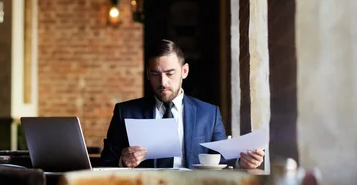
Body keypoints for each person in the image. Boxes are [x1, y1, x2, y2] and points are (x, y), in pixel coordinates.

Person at [100, 39, 265, 169]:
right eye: (155, 74)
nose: (163, 82)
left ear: (184, 71)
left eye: (170, 73)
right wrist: (123, 161)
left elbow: (221, 158)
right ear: (148, 75)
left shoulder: (209, 114)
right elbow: (106, 161)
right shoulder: (126, 112)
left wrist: (242, 163)